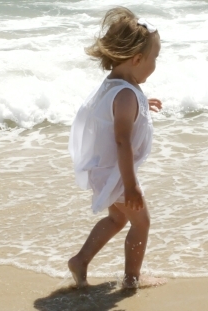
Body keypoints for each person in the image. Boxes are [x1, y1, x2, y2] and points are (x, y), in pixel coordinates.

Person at [67, 7, 164, 289]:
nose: (155, 63)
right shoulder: (126, 95)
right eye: (154, 58)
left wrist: (145, 103)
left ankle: (80, 260)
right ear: (136, 59)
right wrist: (131, 186)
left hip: (107, 170)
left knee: (118, 217)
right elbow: (122, 141)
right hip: (118, 174)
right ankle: (132, 279)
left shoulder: (118, 86)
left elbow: (116, 115)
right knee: (141, 222)